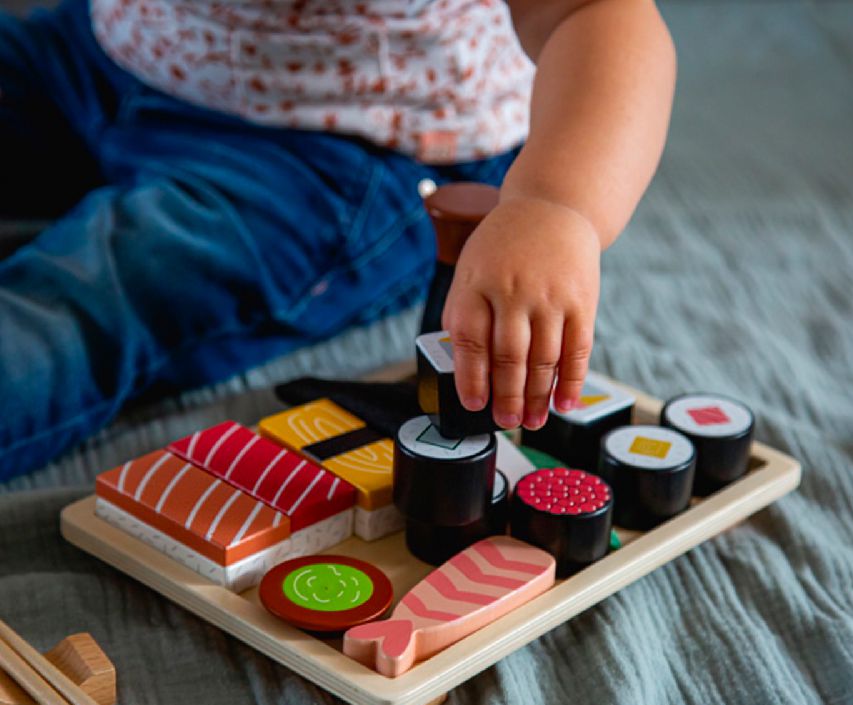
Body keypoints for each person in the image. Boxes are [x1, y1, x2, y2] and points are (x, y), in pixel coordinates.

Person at [0, 0, 676, 482]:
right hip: (104, 48)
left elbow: (597, 14)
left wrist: (555, 206)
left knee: (93, 293)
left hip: (335, 152)